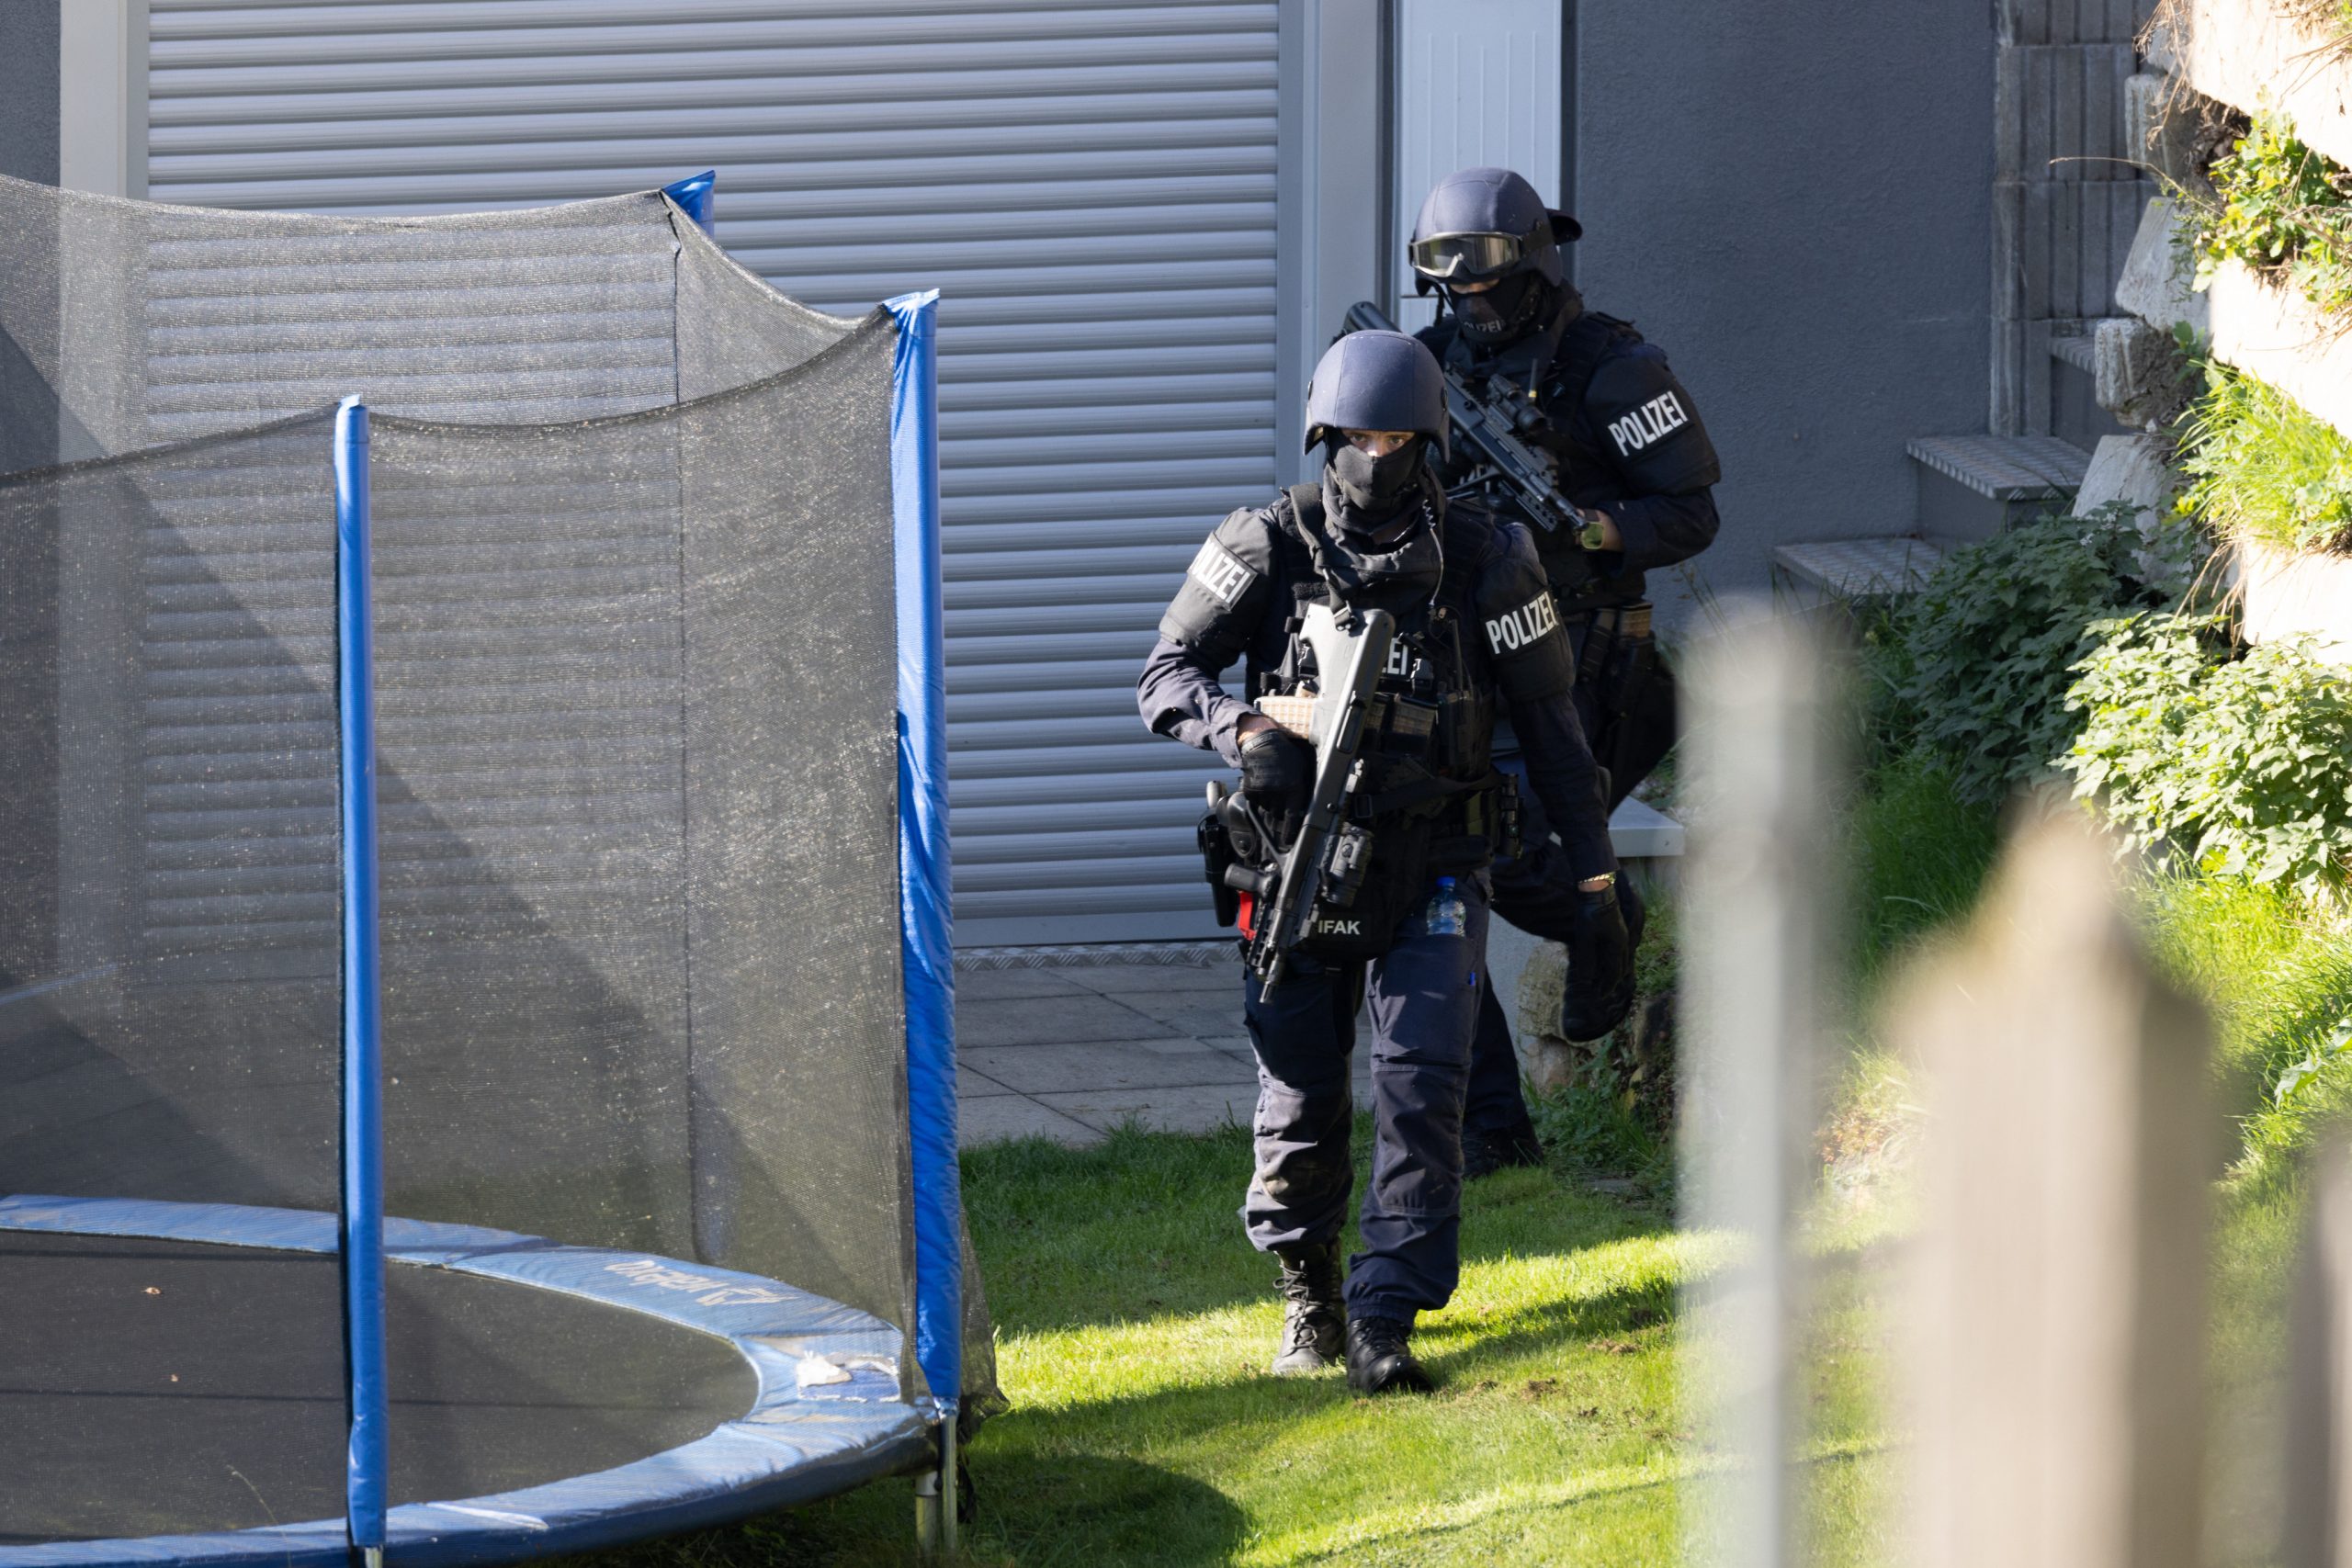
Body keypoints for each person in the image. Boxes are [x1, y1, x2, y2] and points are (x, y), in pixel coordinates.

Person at [1136, 330, 1632, 1393]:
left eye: (1396, 439)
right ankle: (1309, 1297)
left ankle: (1383, 1316)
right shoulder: (1265, 542)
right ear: (1325, 436)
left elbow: (1554, 732)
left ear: (1429, 443)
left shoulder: (1488, 557)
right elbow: (1165, 674)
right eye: (1356, 437)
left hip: (1436, 861)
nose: (1375, 456)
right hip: (1295, 865)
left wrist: (1593, 888)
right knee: (1300, 1093)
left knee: (1422, 1086)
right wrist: (1243, 731)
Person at [1407, 166, 1724, 1177]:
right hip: (1464, 655)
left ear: (1536, 266)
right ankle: (1491, 1126)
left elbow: (1691, 514)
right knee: (1431, 863)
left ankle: (1603, 919)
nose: (1470, 299)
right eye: (1451, 283)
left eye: (1488, 279)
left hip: (1586, 658)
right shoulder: (1426, 364)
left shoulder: (1611, 369)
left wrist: (1584, 527)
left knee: (1501, 851)